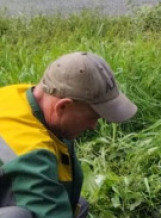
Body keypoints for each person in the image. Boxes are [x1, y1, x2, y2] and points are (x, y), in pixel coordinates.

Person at [0, 52, 138, 218]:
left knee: (78, 206)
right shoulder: (31, 151)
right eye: (92, 117)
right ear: (63, 107)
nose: (93, 126)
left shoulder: (17, 96)